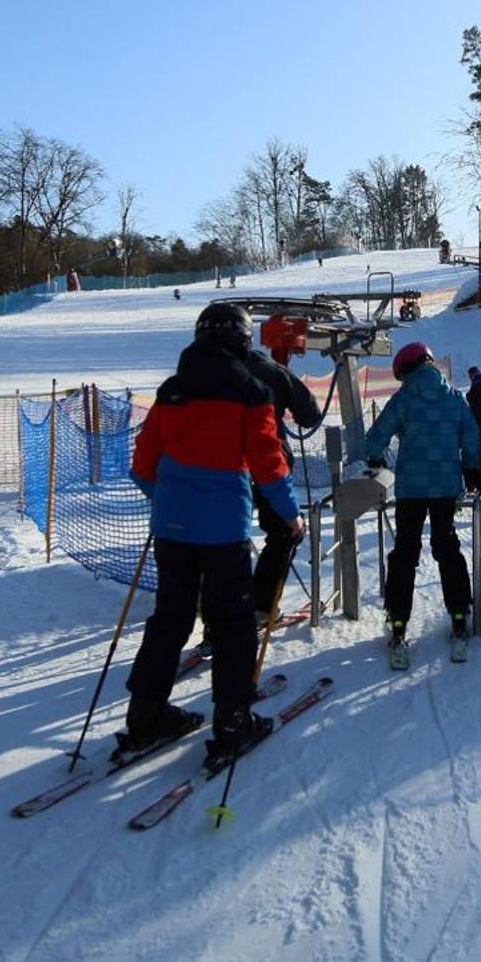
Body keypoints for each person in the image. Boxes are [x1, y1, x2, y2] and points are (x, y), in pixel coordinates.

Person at [126, 303, 302, 764]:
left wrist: (168, 501)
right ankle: (232, 721)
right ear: (242, 342)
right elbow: (269, 464)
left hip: (171, 529)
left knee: (170, 618)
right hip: (222, 532)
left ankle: (145, 715)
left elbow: (142, 466)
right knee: (233, 623)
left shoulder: (172, 391)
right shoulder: (250, 392)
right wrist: (290, 515)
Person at [360, 343, 481, 662]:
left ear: (407, 370)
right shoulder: (455, 398)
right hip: (445, 487)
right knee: (446, 545)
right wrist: (470, 467)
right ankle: (458, 615)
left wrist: (376, 457)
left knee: (406, 551)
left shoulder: (404, 398)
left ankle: (398, 622)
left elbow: (376, 436)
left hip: (411, 488)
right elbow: (471, 436)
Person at [243, 344, 323, 630]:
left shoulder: (203, 376)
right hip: (267, 460)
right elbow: (310, 415)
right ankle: (262, 605)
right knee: (283, 532)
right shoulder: (274, 372)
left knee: (220, 539)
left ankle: (217, 619)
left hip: (216, 466)